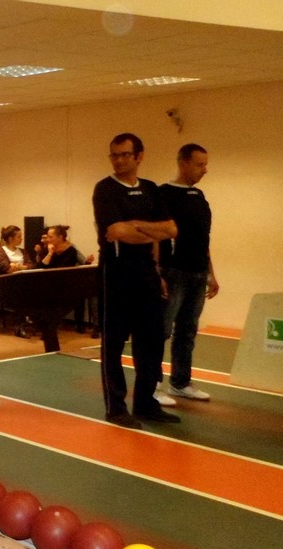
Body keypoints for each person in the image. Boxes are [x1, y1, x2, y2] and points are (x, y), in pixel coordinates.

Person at [92, 132, 179, 429]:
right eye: (114, 155)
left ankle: (145, 403)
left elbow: (170, 230)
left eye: (124, 155)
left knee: (151, 342)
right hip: (115, 274)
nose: (118, 160)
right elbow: (116, 232)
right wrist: (150, 231)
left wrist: (135, 226)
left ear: (139, 156)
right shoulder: (105, 189)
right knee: (114, 344)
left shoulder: (151, 189)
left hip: (147, 274)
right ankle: (116, 408)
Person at [154, 144, 219, 405]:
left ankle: (180, 383)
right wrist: (157, 272)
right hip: (173, 272)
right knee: (161, 330)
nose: (205, 170)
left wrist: (210, 273)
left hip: (197, 273)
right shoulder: (163, 195)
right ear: (183, 164)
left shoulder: (200, 197)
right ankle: (151, 385)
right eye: (199, 164)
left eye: (205, 164)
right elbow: (155, 237)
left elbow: (203, 239)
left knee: (187, 331)